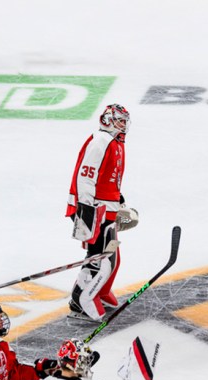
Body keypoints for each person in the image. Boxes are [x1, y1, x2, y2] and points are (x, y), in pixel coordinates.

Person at [66, 103, 135, 321]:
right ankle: (82, 298)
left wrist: (118, 199)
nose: (123, 125)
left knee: (111, 255)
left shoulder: (115, 142)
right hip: (94, 209)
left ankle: (100, 291)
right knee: (100, 257)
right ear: (107, 119)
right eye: (119, 121)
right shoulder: (100, 141)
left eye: (125, 121)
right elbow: (86, 176)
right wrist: (87, 211)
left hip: (106, 208)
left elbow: (109, 177)